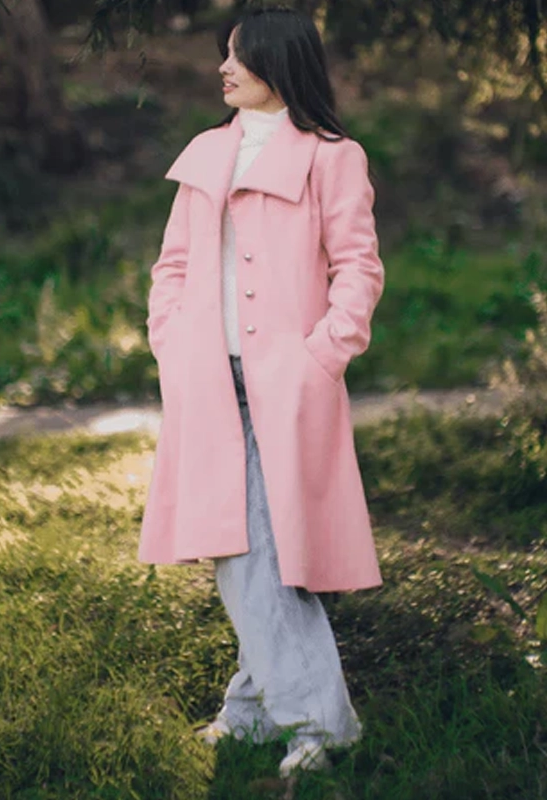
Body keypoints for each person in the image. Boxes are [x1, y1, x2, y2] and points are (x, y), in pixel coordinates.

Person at [138, 5, 385, 779]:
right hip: (208, 375)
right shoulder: (209, 151)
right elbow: (174, 265)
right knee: (245, 543)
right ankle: (253, 712)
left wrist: (323, 355)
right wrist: (170, 338)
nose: (224, 67)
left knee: (261, 547)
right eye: (225, 53)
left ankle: (320, 724)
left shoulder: (332, 157)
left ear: (280, 62)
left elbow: (358, 266)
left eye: (239, 55)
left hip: (290, 381)